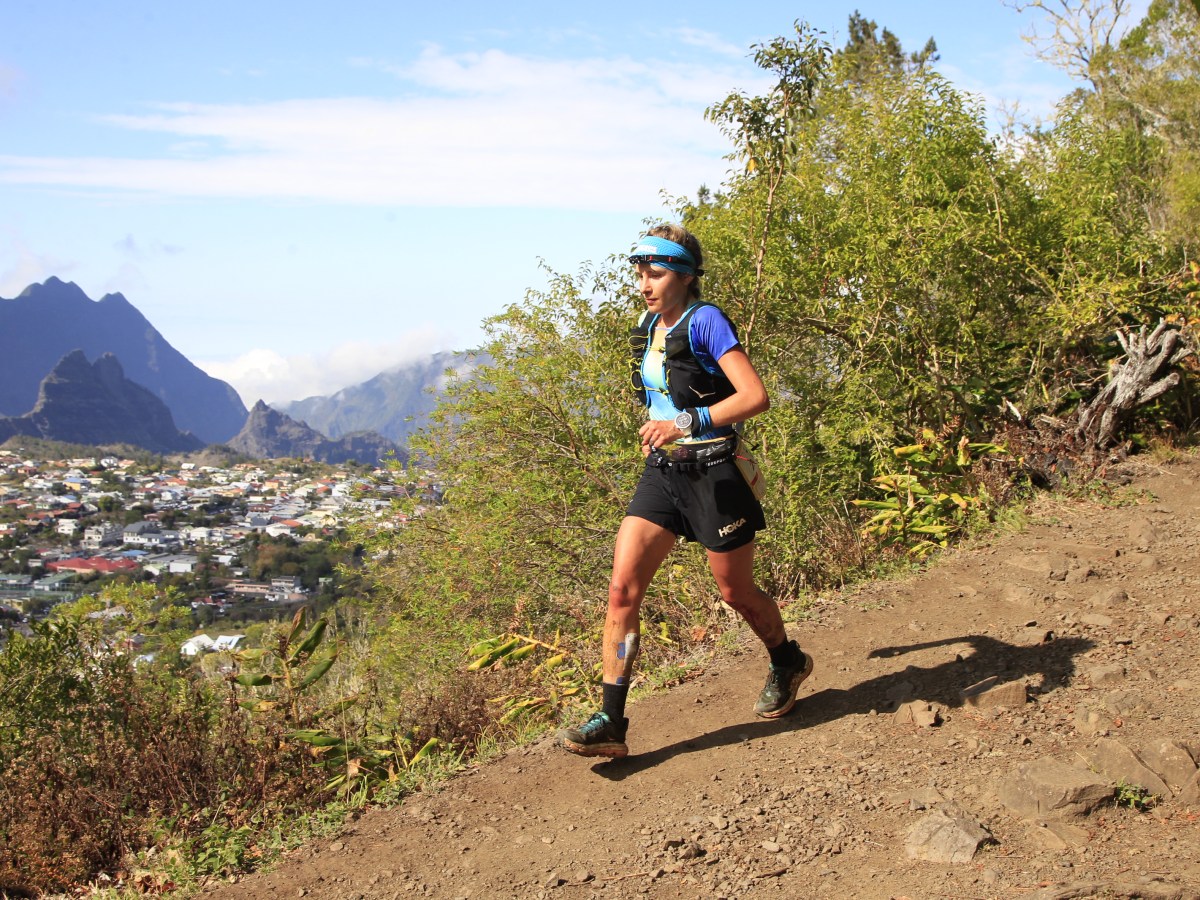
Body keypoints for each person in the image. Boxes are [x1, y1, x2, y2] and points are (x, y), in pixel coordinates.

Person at [557, 223, 814, 760]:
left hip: (716, 472)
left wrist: (686, 420)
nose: (644, 283)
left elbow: (755, 396)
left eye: (656, 272)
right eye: (639, 272)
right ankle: (611, 719)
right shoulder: (648, 325)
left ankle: (786, 658)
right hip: (664, 473)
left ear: (686, 275)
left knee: (734, 593)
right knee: (622, 591)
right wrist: (661, 432)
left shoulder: (707, 322)